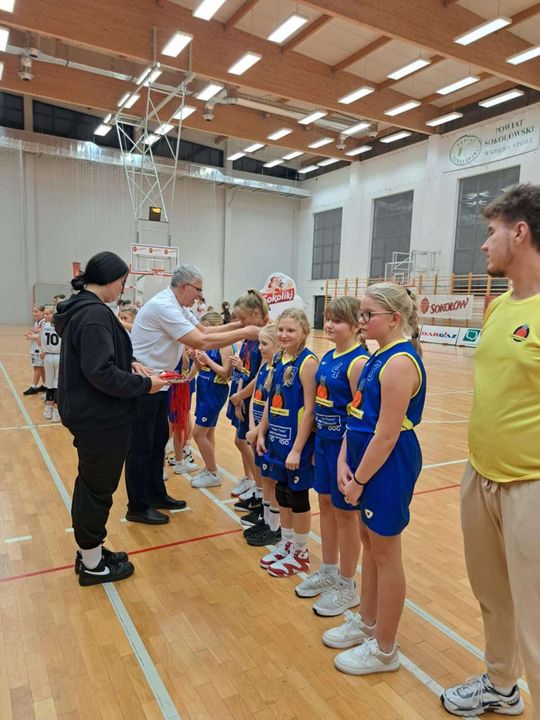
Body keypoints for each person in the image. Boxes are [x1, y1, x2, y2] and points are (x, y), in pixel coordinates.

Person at [442, 184, 540, 718]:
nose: (484, 244)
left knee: (537, 621)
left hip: (532, 487)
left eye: (491, 232)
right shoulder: (499, 306)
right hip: (480, 475)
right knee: (492, 596)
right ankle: (502, 685)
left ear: (519, 232)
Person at [324, 282, 425, 676]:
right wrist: (343, 459)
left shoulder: (400, 362)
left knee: (386, 552)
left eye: (368, 314)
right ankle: (367, 621)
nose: (361, 320)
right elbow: (357, 415)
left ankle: (385, 649)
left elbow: (386, 434)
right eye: (361, 314)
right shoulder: (376, 356)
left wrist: (360, 480)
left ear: (394, 319)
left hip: (388, 463)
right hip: (363, 458)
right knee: (369, 542)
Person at [54, 251, 168, 586]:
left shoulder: (85, 309)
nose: (123, 288)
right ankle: (92, 564)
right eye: (123, 282)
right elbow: (99, 371)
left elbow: (96, 359)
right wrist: (145, 385)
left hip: (92, 414)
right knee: (97, 490)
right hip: (100, 417)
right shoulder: (93, 315)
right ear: (111, 279)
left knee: (92, 486)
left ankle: (91, 551)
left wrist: (128, 363)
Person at [124, 264, 261, 525]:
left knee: (157, 442)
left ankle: (155, 494)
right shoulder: (165, 306)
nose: (200, 295)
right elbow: (200, 341)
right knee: (141, 447)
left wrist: (238, 324)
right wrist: (245, 332)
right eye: (197, 289)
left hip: (161, 383)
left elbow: (205, 331)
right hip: (145, 383)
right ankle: (138, 506)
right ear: (184, 286)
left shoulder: (178, 306)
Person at [296, 297, 369, 616]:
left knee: (346, 514)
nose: (328, 325)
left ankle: (347, 584)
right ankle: (328, 569)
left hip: (345, 451)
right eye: (327, 319)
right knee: (324, 505)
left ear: (355, 326)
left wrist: (346, 456)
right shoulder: (327, 356)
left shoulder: (358, 362)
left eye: (337, 321)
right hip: (324, 445)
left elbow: (359, 415)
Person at [256, 308, 318, 578]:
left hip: (296, 444)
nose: (284, 334)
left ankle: (301, 553)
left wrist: (297, 449)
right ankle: (288, 542)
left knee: (297, 496)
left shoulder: (308, 362)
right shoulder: (279, 358)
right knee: (281, 492)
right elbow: (271, 400)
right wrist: (261, 432)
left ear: (304, 332)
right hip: (277, 440)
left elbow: (311, 410)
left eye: (291, 330)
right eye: (281, 329)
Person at [226, 290, 269, 498]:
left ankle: (259, 489)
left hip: (253, 399)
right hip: (241, 394)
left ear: (255, 314)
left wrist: (241, 396)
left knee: (245, 442)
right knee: (241, 440)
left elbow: (260, 376)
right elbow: (247, 370)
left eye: (242, 318)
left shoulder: (265, 337)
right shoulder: (249, 336)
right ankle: (251, 479)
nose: (240, 323)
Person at [243, 324, 282, 546]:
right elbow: (255, 398)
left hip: (268, 433)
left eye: (264, 343)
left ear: (277, 345)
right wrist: (252, 427)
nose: (259, 347)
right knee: (264, 477)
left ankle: (274, 526)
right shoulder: (264, 367)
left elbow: (271, 404)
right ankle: (267, 520)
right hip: (257, 431)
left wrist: (259, 431)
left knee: (271, 479)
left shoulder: (277, 369)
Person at [190, 311, 234, 488]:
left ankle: (213, 472)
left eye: (206, 328)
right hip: (204, 388)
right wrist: (196, 359)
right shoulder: (207, 344)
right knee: (208, 433)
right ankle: (210, 467)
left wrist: (207, 358)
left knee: (197, 433)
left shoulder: (225, 345)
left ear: (216, 327)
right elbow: (203, 370)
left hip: (215, 391)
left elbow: (226, 374)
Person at [40, 306, 62, 423]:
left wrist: (43, 350)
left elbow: (41, 341)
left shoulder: (45, 326)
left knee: (50, 383)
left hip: (48, 356)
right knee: (56, 383)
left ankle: (49, 408)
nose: (45, 316)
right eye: (45, 314)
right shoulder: (62, 326)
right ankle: (56, 411)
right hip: (58, 356)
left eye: (48, 314)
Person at [23, 305, 46, 395]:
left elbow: (42, 336)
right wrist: (30, 333)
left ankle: (33, 386)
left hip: (39, 349)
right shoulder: (37, 322)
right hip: (35, 348)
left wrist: (31, 336)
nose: (34, 313)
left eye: (36, 311)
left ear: (42, 312)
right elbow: (36, 333)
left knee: (37, 367)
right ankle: (45, 385)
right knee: (41, 367)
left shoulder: (44, 322)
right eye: (33, 312)